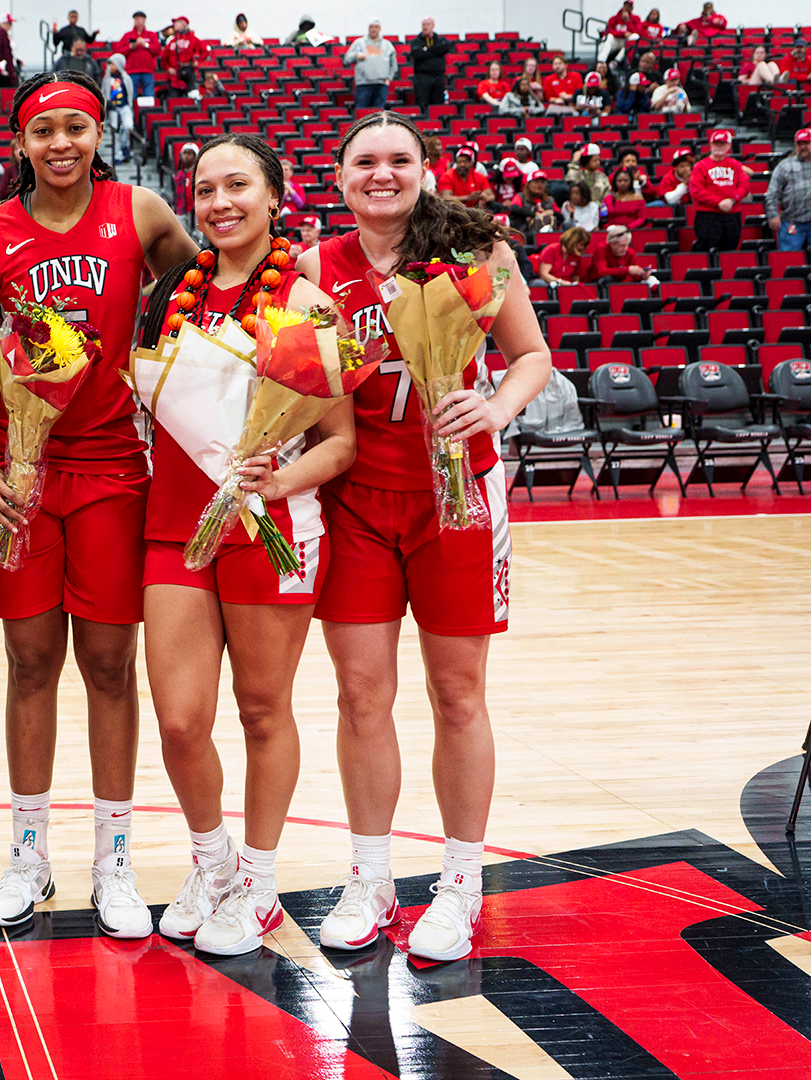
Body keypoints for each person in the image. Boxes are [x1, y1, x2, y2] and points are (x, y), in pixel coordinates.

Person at [299, 110, 551, 963]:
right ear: (339, 179)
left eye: (398, 160)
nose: (381, 174)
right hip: (359, 502)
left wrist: (496, 405)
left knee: (458, 695)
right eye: (363, 161)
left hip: (459, 500)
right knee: (360, 696)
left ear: (424, 170)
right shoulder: (312, 268)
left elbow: (532, 358)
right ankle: (372, 877)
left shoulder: (480, 249)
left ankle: (462, 881)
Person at [0, 71, 197, 939]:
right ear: (19, 143)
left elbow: (204, 288)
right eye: (43, 131)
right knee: (29, 664)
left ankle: (115, 862)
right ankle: (27, 856)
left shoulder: (141, 214)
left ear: (99, 135)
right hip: (23, 475)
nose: (61, 144)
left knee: (107, 665)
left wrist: (157, 366)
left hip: (112, 468)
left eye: (76, 128)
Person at [137, 133, 353, 955]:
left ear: (274, 197)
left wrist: (277, 483)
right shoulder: (167, 298)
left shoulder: (302, 302)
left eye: (238, 186)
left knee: (263, 711)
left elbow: (340, 442)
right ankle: (212, 862)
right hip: (175, 526)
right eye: (205, 189)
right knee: (181, 719)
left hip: (271, 529)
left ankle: (259, 884)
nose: (220, 202)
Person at [690, 129, 749, 252]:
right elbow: (696, 191)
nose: (718, 146)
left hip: (732, 216)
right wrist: (718, 202)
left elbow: (744, 186)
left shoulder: (736, 165)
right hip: (707, 216)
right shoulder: (700, 166)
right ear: (710, 144)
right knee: (707, 250)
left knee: (730, 250)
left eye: (722, 143)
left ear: (729, 146)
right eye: (716, 143)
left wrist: (732, 200)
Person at [767, 128, 811, 252]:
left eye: (806, 143)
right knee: (788, 259)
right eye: (799, 144)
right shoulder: (784, 166)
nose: (803, 147)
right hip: (792, 222)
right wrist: (773, 214)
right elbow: (772, 193)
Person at [345, 22, 399, 111]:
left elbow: (393, 65)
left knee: (378, 116)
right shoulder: (359, 43)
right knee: (361, 114)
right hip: (363, 84)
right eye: (371, 27)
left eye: (376, 27)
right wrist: (356, 55)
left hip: (381, 85)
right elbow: (346, 59)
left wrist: (389, 79)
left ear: (380, 29)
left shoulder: (387, 45)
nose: (373, 29)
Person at [160, 16, 208, 95]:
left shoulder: (192, 38)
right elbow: (164, 58)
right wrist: (168, 68)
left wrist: (198, 62)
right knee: (174, 99)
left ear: (183, 24)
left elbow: (205, 51)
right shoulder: (172, 40)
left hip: (188, 71)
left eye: (177, 23)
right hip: (175, 75)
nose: (174, 24)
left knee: (192, 96)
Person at [409, 18, 452, 107]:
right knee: (422, 102)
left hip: (438, 77)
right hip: (422, 77)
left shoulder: (441, 40)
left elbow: (444, 48)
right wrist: (435, 51)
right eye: (424, 25)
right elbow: (417, 54)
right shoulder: (416, 42)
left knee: (438, 103)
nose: (425, 27)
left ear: (433, 26)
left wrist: (426, 50)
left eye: (428, 24)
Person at [103, 55, 136, 166]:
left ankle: (125, 145)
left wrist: (130, 105)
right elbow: (104, 93)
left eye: (113, 64)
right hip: (113, 108)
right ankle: (117, 155)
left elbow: (130, 92)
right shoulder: (107, 79)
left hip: (124, 106)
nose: (111, 67)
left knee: (128, 126)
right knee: (116, 132)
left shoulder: (126, 78)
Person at [0, 13, 21, 90]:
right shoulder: (0, 32)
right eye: (9, 23)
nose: (10, 26)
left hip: (8, 66)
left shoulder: (4, 34)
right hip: (4, 67)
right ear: (3, 23)